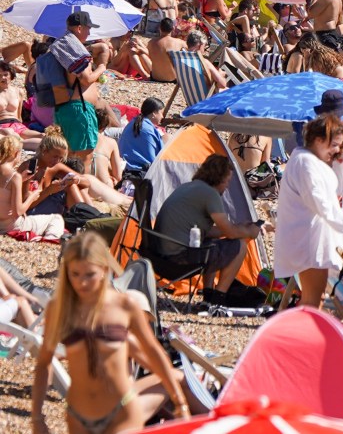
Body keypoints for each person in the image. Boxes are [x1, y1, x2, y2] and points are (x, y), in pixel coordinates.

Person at [32, 233, 191, 434]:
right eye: (75, 274)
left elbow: (153, 352)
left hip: (122, 411)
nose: (82, 283)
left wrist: (180, 402)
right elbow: (44, 362)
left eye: (89, 274)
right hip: (78, 416)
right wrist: (37, 417)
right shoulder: (60, 308)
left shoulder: (125, 305)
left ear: (104, 270)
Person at [153, 155, 263, 307]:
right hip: (179, 260)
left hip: (160, 257)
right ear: (219, 178)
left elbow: (210, 231)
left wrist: (241, 228)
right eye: (227, 182)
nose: (227, 187)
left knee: (211, 243)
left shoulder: (189, 187)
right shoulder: (210, 194)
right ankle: (218, 300)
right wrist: (249, 232)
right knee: (240, 246)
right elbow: (230, 232)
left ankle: (208, 296)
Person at [274, 114, 343, 307]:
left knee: (313, 300)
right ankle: (301, 336)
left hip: (311, 240)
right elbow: (324, 206)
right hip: (309, 242)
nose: (338, 149)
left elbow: (336, 191)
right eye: (335, 144)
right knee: (313, 301)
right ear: (319, 140)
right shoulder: (306, 163)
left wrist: (341, 163)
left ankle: (302, 335)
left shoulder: (309, 160)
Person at [38, 11, 109, 172]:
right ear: (78, 28)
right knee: (84, 156)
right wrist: (101, 68)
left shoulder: (63, 46)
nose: (89, 32)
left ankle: (66, 192)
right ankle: (77, 193)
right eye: (88, 28)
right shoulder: (72, 48)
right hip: (79, 110)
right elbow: (85, 79)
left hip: (66, 108)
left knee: (68, 155)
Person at [118, 97, 165, 173]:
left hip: (124, 165)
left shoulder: (134, 122)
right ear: (154, 114)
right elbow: (152, 159)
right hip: (139, 171)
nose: (162, 116)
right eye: (161, 113)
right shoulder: (147, 130)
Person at [146, 18, 186, 83]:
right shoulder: (180, 43)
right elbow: (190, 51)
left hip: (155, 78)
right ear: (173, 28)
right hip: (173, 79)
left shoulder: (150, 42)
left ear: (159, 28)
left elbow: (150, 57)